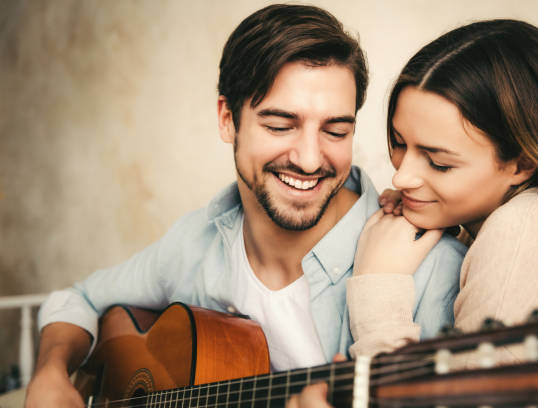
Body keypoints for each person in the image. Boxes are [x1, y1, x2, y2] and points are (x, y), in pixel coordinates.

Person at [25, 4, 466, 408]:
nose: (310, 160)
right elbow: (78, 298)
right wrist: (50, 371)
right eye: (280, 125)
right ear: (227, 119)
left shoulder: (433, 270)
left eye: (335, 131)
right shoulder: (196, 242)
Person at [288, 18, 538, 408]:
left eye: (439, 163)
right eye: (398, 143)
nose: (402, 176)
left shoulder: (523, 232)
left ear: (521, 163)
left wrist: (377, 286)